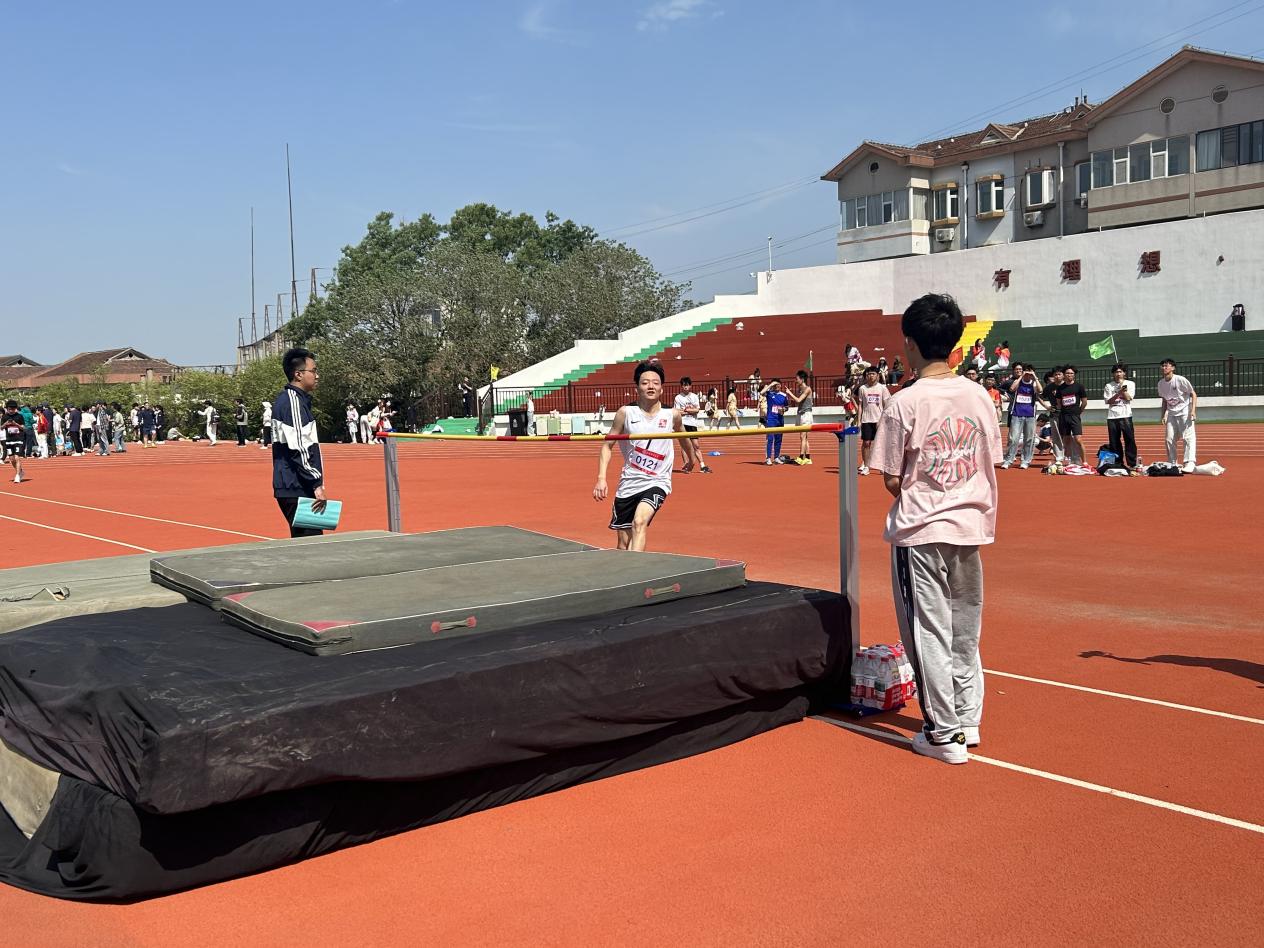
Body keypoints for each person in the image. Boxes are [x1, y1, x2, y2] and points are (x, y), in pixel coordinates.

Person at [870, 293, 1000, 765]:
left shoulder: (903, 403)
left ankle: (943, 733)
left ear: (910, 343)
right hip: (969, 525)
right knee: (964, 627)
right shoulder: (979, 396)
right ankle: (967, 717)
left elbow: (890, 477)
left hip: (921, 529)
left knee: (928, 631)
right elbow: (989, 458)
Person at [592, 361, 682, 551]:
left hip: (657, 482)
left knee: (639, 522)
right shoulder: (625, 413)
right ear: (637, 388)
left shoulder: (671, 414)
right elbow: (607, 446)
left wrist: (690, 458)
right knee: (623, 544)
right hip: (629, 484)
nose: (651, 386)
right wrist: (601, 478)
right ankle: (627, 567)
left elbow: (684, 437)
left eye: (655, 383)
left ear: (662, 388)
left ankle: (637, 569)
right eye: (645, 383)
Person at [272, 347, 327, 538]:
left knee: (306, 543)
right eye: (313, 371)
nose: (317, 376)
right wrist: (316, 483)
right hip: (297, 486)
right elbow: (299, 448)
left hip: (294, 485)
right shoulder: (292, 402)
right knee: (312, 544)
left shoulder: (294, 401)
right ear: (298, 374)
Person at [1158, 358, 1198, 472]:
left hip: (1185, 412)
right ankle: (1172, 462)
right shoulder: (1161, 383)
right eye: (1162, 366)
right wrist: (1163, 415)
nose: (1164, 368)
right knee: (1169, 438)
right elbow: (1164, 400)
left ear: (1173, 368)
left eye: (1166, 365)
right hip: (1171, 413)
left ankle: (1189, 462)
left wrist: (1193, 411)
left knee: (1188, 437)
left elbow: (1193, 394)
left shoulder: (1180, 380)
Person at [1001, 363, 1043, 469]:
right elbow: (1012, 389)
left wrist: (1035, 377)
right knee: (1013, 438)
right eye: (1026, 372)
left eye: (1030, 372)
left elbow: (1040, 390)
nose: (1028, 374)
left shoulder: (1033, 383)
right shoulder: (1018, 382)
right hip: (1017, 414)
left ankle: (1025, 460)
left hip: (1030, 415)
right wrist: (1021, 376)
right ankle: (1008, 460)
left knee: (1029, 439)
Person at [673, 377, 711, 473]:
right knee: (684, 446)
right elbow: (678, 411)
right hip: (682, 423)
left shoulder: (694, 397)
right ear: (681, 386)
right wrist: (689, 411)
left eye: (687, 385)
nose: (685, 387)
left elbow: (697, 410)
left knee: (696, 445)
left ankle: (702, 465)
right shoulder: (678, 398)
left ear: (690, 386)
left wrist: (686, 410)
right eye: (683, 385)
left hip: (692, 424)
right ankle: (686, 464)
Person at [1103, 363, 1137, 468]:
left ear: (1124, 373)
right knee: (1114, 441)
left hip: (1126, 415)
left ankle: (1132, 463)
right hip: (1112, 416)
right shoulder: (1109, 386)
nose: (1118, 374)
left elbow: (1129, 398)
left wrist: (1123, 390)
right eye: (1116, 372)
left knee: (1129, 439)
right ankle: (1118, 463)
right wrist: (1118, 393)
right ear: (1113, 374)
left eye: (1120, 372)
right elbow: (1108, 401)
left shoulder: (1130, 384)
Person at [857, 366, 889, 475]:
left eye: (873, 374)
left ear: (877, 376)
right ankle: (866, 466)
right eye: (869, 374)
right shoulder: (862, 388)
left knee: (880, 444)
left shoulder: (882, 388)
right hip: (866, 420)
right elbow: (860, 405)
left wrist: (883, 419)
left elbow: (887, 405)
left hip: (879, 420)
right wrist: (859, 420)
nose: (870, 376)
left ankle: (882, 465)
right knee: (866, 443)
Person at [1057, 365, 1087, 463]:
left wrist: (1079, 411)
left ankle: (1084, 462)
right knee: (1066, 440)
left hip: (1075, 416)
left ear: (1074, 375)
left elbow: (1084, 402)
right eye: (1067, 373)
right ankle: (1069, 460)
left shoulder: (1079, 387)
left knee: (1078, 439)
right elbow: (1059, 403)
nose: (1069, 375)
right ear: (1064, 375)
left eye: (1071, 373)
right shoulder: (1060, 388)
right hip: (1064, 416)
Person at [787, 369, 815, 465]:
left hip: (806, 414)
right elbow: (798, 402)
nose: (796, 381)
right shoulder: (800, 389)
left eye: (797, 379)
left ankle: (800, 457)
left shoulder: (807, 389)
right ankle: (808, 458)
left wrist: (790, 393)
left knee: (803, 436)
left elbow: (798, 400)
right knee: (804, 437)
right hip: (800, 414)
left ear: (802, 379)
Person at [761, 379, 789, 464]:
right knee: (770, 438)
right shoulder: (769, 394)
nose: (777, 386)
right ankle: (768, 458)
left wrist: (783, 409)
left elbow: (787, 407)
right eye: (775, 384)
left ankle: (776, 457)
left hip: (780, 419)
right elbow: (761, 393)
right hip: (771, 419)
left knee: (778, 439)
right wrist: (770, 385)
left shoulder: (784, 395)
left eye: (778, 384)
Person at [3, 401, 27, 483]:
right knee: (12, 459)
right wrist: (6, 424)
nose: (11, 411)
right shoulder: (4, 416)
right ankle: (20, 471)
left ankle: (17, 475)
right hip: (9, 440)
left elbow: (23, 428)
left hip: (18, 439)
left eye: (13, 409)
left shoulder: (19, 416)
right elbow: (1, 427)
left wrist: (15, 424)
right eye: (9, 409)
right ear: (7, 409)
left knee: (17, 457)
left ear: (15, 409)